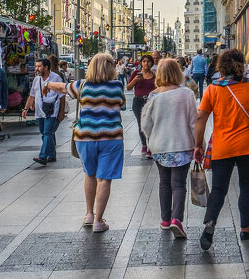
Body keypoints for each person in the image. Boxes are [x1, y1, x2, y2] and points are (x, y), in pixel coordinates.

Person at [44, 53, 126, 233]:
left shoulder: (82, 85)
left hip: (85, 138)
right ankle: (98, 221)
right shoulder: (117, 86)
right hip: (111, 138)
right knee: (104, 178)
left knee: (90, 174)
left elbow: (62, 87)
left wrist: (47, 84)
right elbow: (122, 105)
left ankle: (89, 214)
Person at [196, 48, 249, 249]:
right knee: (246, 187)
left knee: (218, 189)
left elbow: (201, 118)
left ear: (220, 67)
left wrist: (198, 145)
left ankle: (210, 222)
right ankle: (245, 228)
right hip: (248, 145)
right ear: (242, 66)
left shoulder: (213, 89)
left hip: (222, 146)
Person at [140, 59, 198, 239]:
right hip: (182, 144)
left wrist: (151, 140)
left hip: (160, 146)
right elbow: (193, 123)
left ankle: (165, 220)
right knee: (179, 183)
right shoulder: (187, 94)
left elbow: (146, 124)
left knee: (164, 182)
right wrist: (198, 144)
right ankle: (177, 220)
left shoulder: (153, 96)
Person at [23, 58, 64, 164]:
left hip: (52, 111)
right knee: (44, 133)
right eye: (36, 66)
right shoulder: (37, 80)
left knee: (47, 132)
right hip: (40, 111)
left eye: (39, 66)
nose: (36, 68)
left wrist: (61, 112)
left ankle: (43, 156)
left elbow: (62, 96)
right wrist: (26, 108)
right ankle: (52, 154)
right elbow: (32, 95)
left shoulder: (56, 78)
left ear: (46, 67)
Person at [127, 54, 157, 158]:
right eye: (144, 61)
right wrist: (135, 80)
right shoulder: (136, 73)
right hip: (138, 101)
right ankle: (144, 145)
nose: (146, 63)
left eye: (148, 61)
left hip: (150, 102)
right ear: (141, 63)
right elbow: (128, 87)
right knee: (141, 124)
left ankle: (150, 147)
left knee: (151, 124)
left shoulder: (154, 75)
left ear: (151, 63)